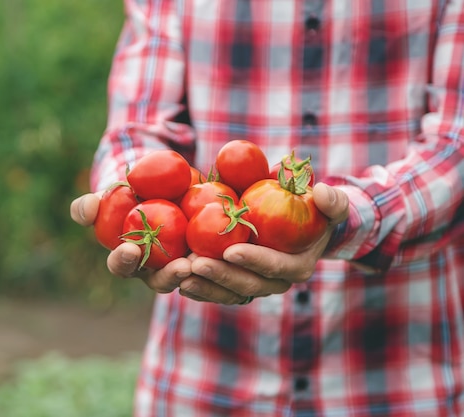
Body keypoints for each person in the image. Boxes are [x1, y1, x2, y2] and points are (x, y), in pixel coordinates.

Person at [70, 0, 464, 415]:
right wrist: (129, 196)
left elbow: (455, 142)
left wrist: (352, 216)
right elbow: (136, 128)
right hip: (202, 381)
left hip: (403, 373)